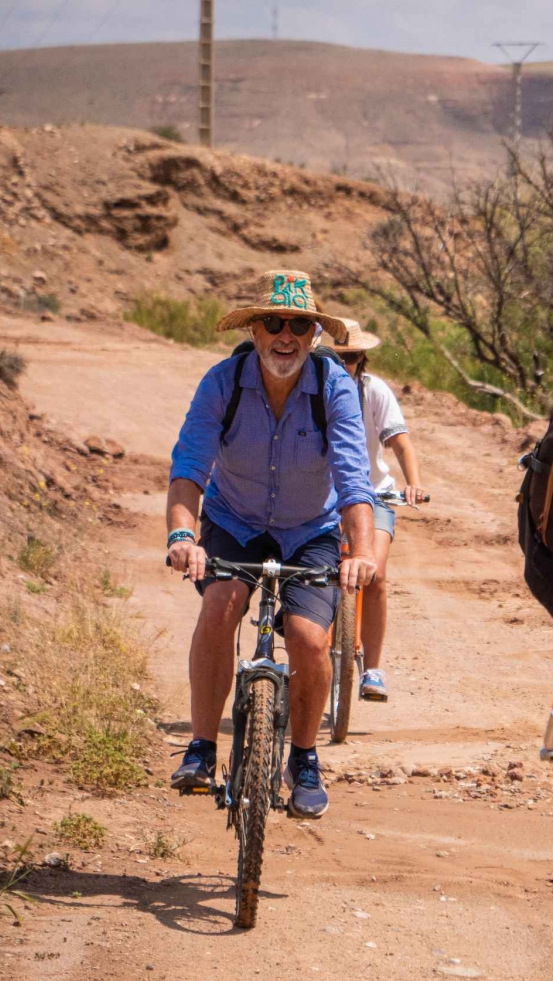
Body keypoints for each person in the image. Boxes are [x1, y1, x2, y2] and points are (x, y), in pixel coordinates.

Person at [165, 269, 379, 819]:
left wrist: (362, 554)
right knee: (221, 605)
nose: (286, 336)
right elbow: (189, 467)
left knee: (308, 638)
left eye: (299, 326)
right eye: (274, 323)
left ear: (314, 335)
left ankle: (304, 759)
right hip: (234, 520)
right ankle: (201, 747)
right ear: (254, 330)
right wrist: (183, 535)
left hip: (310, 529)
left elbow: (354, 481)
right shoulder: (223, 382)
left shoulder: (334, 387)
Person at [325, 316, 429, 702]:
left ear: (362, 359)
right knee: (305, 575)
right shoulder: (308, 391)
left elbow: (400, 442)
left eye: (351, 358)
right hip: (322, 500)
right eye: (335, 358)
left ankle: (372, 669)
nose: (344, 365)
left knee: (376, 574)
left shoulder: (374, 391)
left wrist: (413, 482)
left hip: (373, 496)